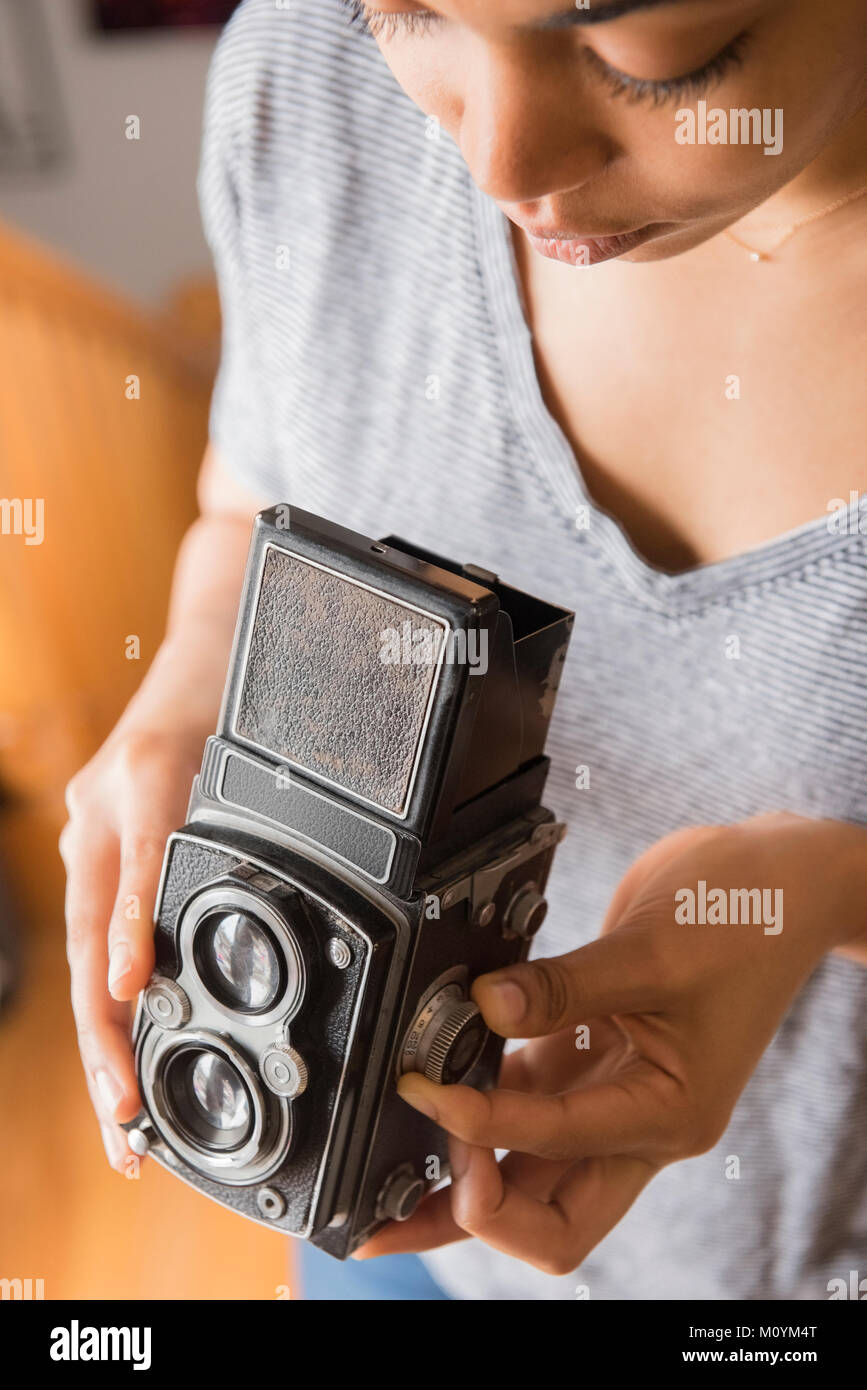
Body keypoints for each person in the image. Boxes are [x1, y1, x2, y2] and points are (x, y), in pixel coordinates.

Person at [61, 0, 867, 1301]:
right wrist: (184, 695)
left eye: (642, 49)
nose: (501, 164)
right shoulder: (305, 77)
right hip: (374, 1191)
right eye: (409, 13)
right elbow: (254, 492)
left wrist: (826, 896)